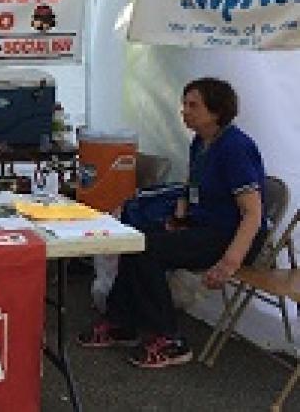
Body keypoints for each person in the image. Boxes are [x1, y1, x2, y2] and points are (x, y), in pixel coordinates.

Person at [77, 77, 266, 368]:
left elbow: (252, 213)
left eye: (193, 105)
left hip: (230, 236)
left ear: (216, 111)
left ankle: (170, 339)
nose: (185, 111)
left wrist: (229, 263)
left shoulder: (235, 148)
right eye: (184, 104)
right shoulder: (201, 142)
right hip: (202, 226)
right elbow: (192, 190)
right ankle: (121, 322)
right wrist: (178, 220)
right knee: (135, 238)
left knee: (149, 250)